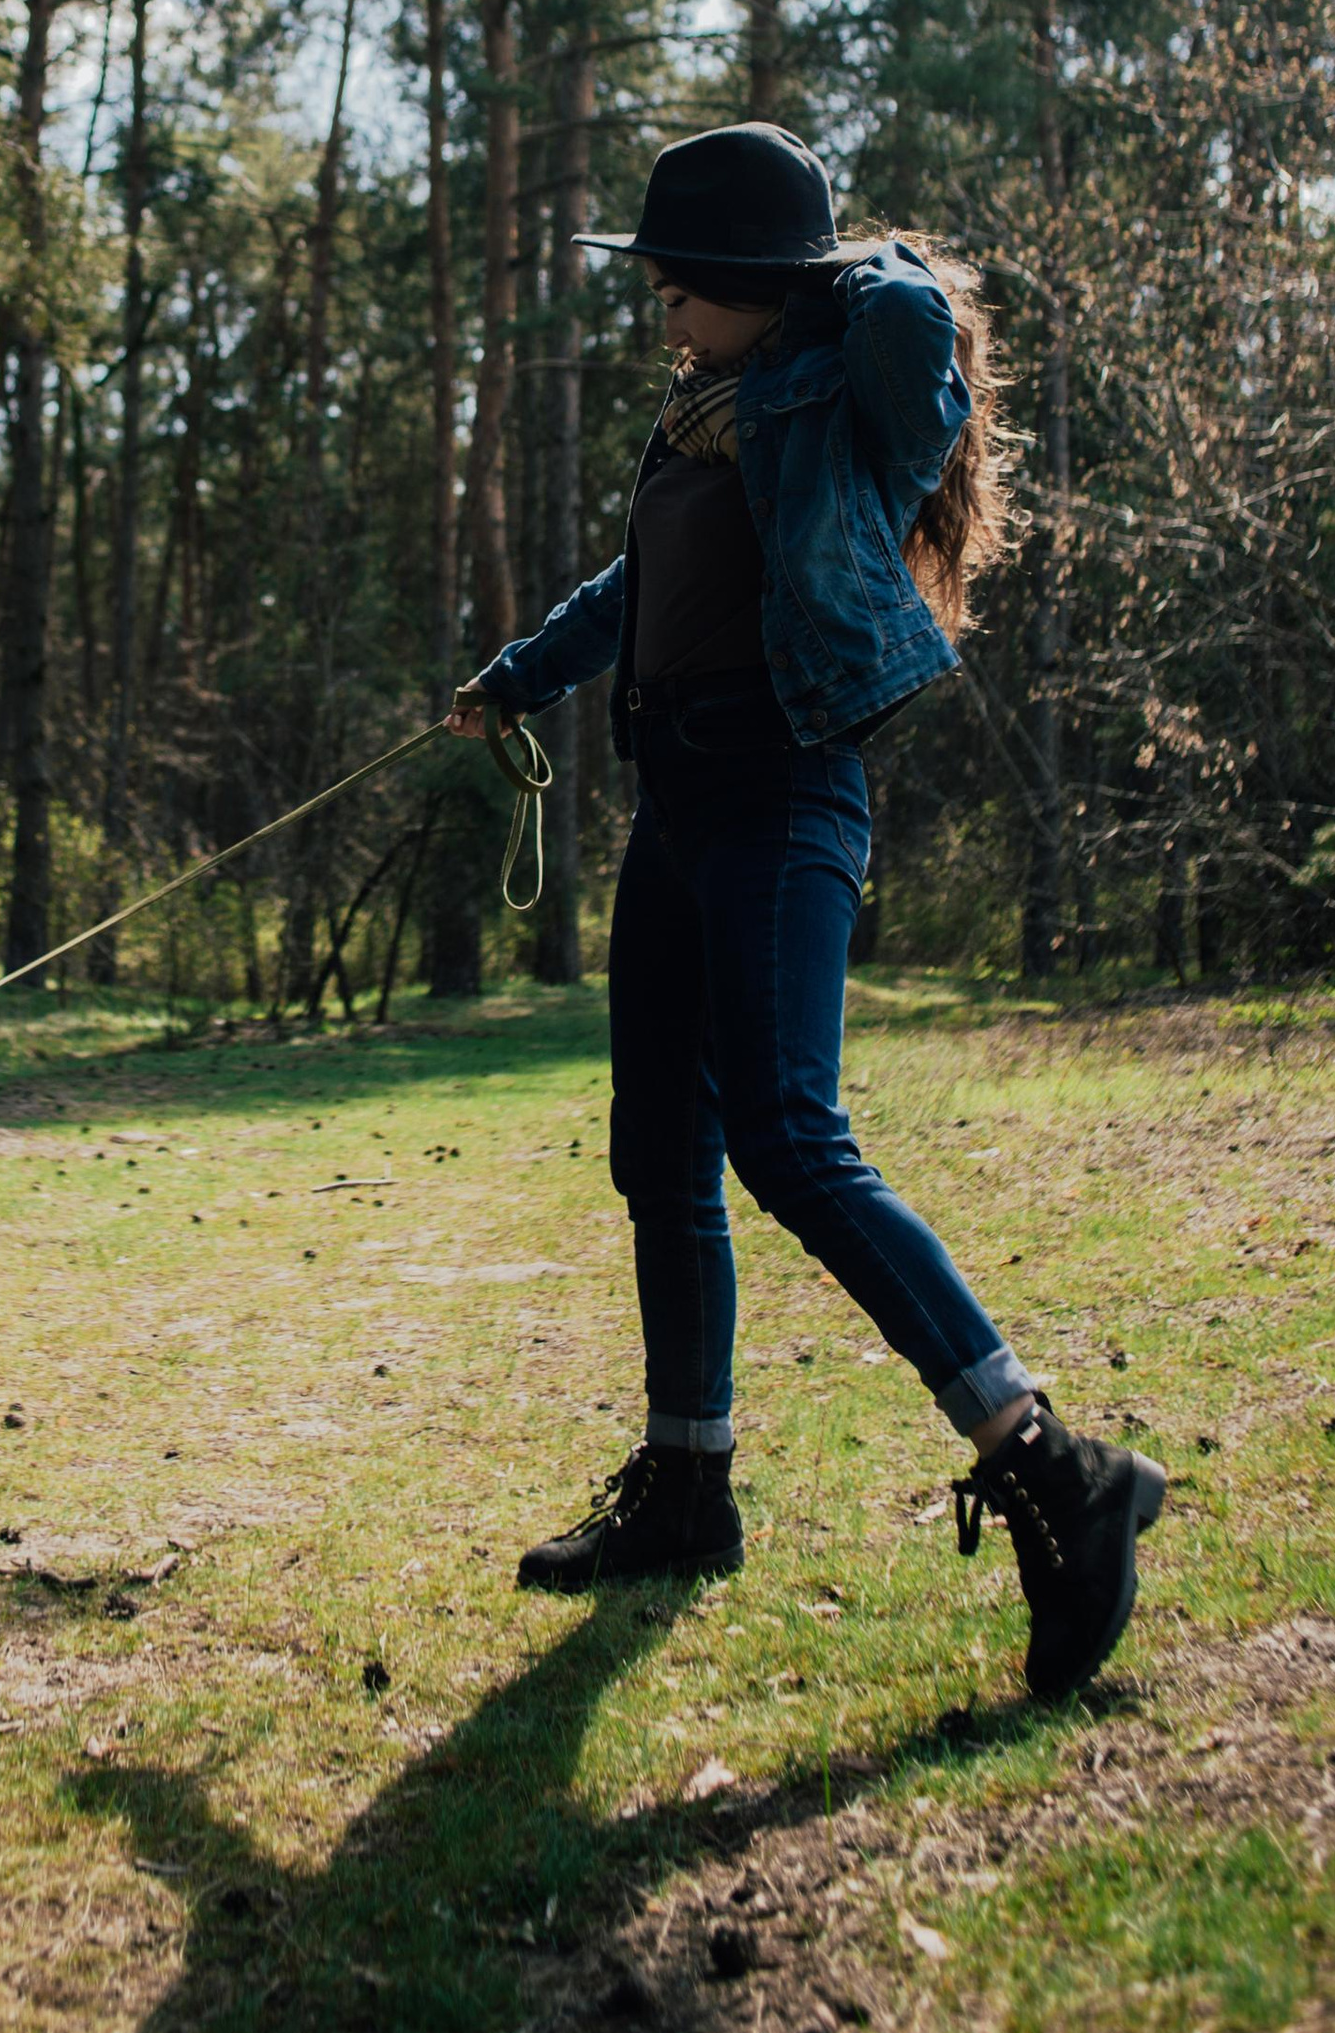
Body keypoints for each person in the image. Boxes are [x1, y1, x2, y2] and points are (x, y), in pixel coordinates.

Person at [447, 122, 1163, 1702]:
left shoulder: (850, 398)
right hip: (677, 809)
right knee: (662, 1151)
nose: (656, 310)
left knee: (786, 1132)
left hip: (788, 793)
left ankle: (1056, 1465)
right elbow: (633, 592)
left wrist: (829, 271)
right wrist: (514, 680)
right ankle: (688, 1488)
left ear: (753, 282)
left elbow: (914, 318)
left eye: (677, 283)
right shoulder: (701, 417)